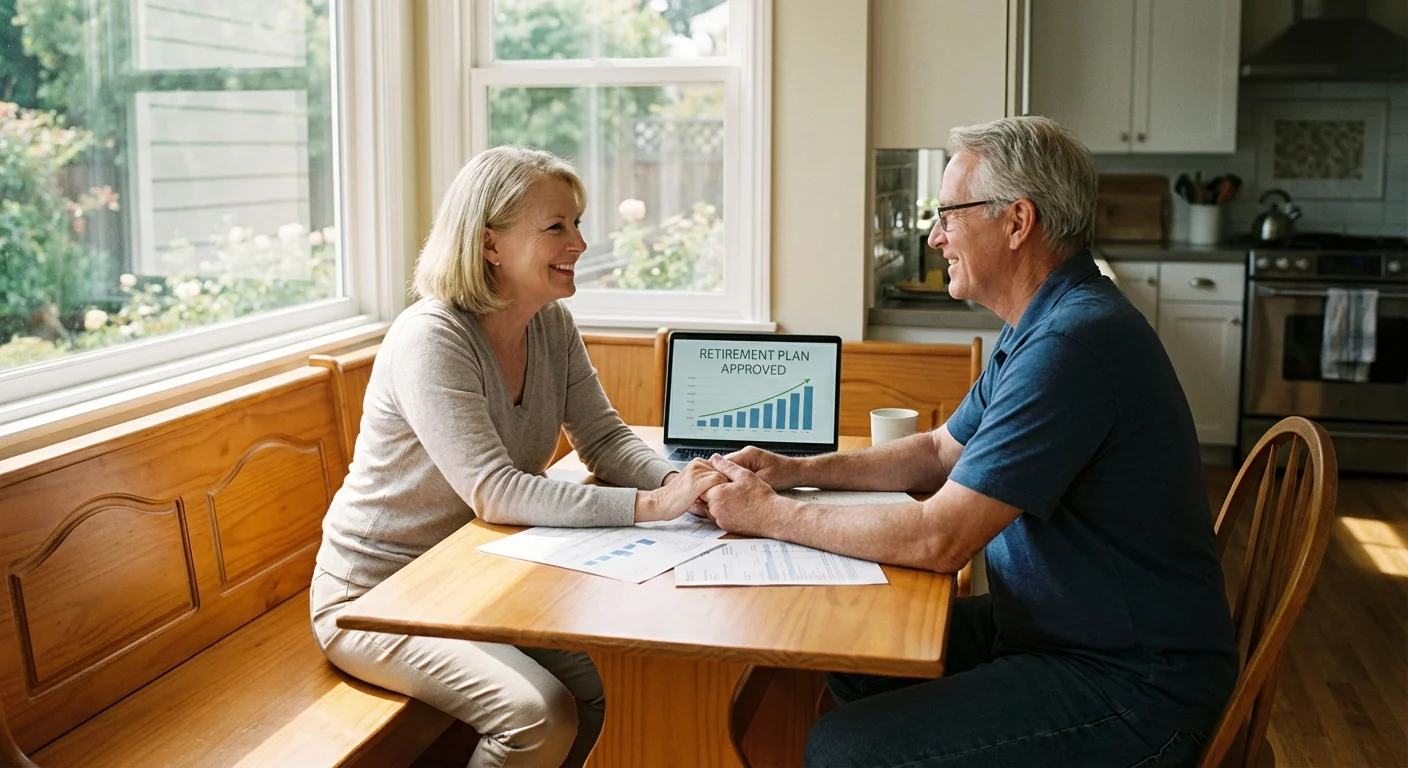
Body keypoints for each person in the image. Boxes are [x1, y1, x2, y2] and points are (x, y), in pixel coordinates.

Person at [699, 116, 1238, 768]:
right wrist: (793, 470)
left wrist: (770, 515)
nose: (935, 236)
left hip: (1134, 688)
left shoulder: (1074, 343)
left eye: (948, 214)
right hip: (1057, 633)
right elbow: (935, 454)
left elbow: (939, 539)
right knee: (857, 654)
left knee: (844, 750)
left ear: (1017, 222)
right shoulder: (1045, 322)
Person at [310, 146, 725, 768]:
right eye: (556, 226)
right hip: (376, 597)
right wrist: (651, 506)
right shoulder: (433, 337)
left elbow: (605, 440)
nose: (579, 242)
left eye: (577, 222)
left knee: (606, 689)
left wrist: (688, 484)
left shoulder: (549, 323)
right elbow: (495, 491)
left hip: (478, 583)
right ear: (489, 245)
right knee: (538, 716)